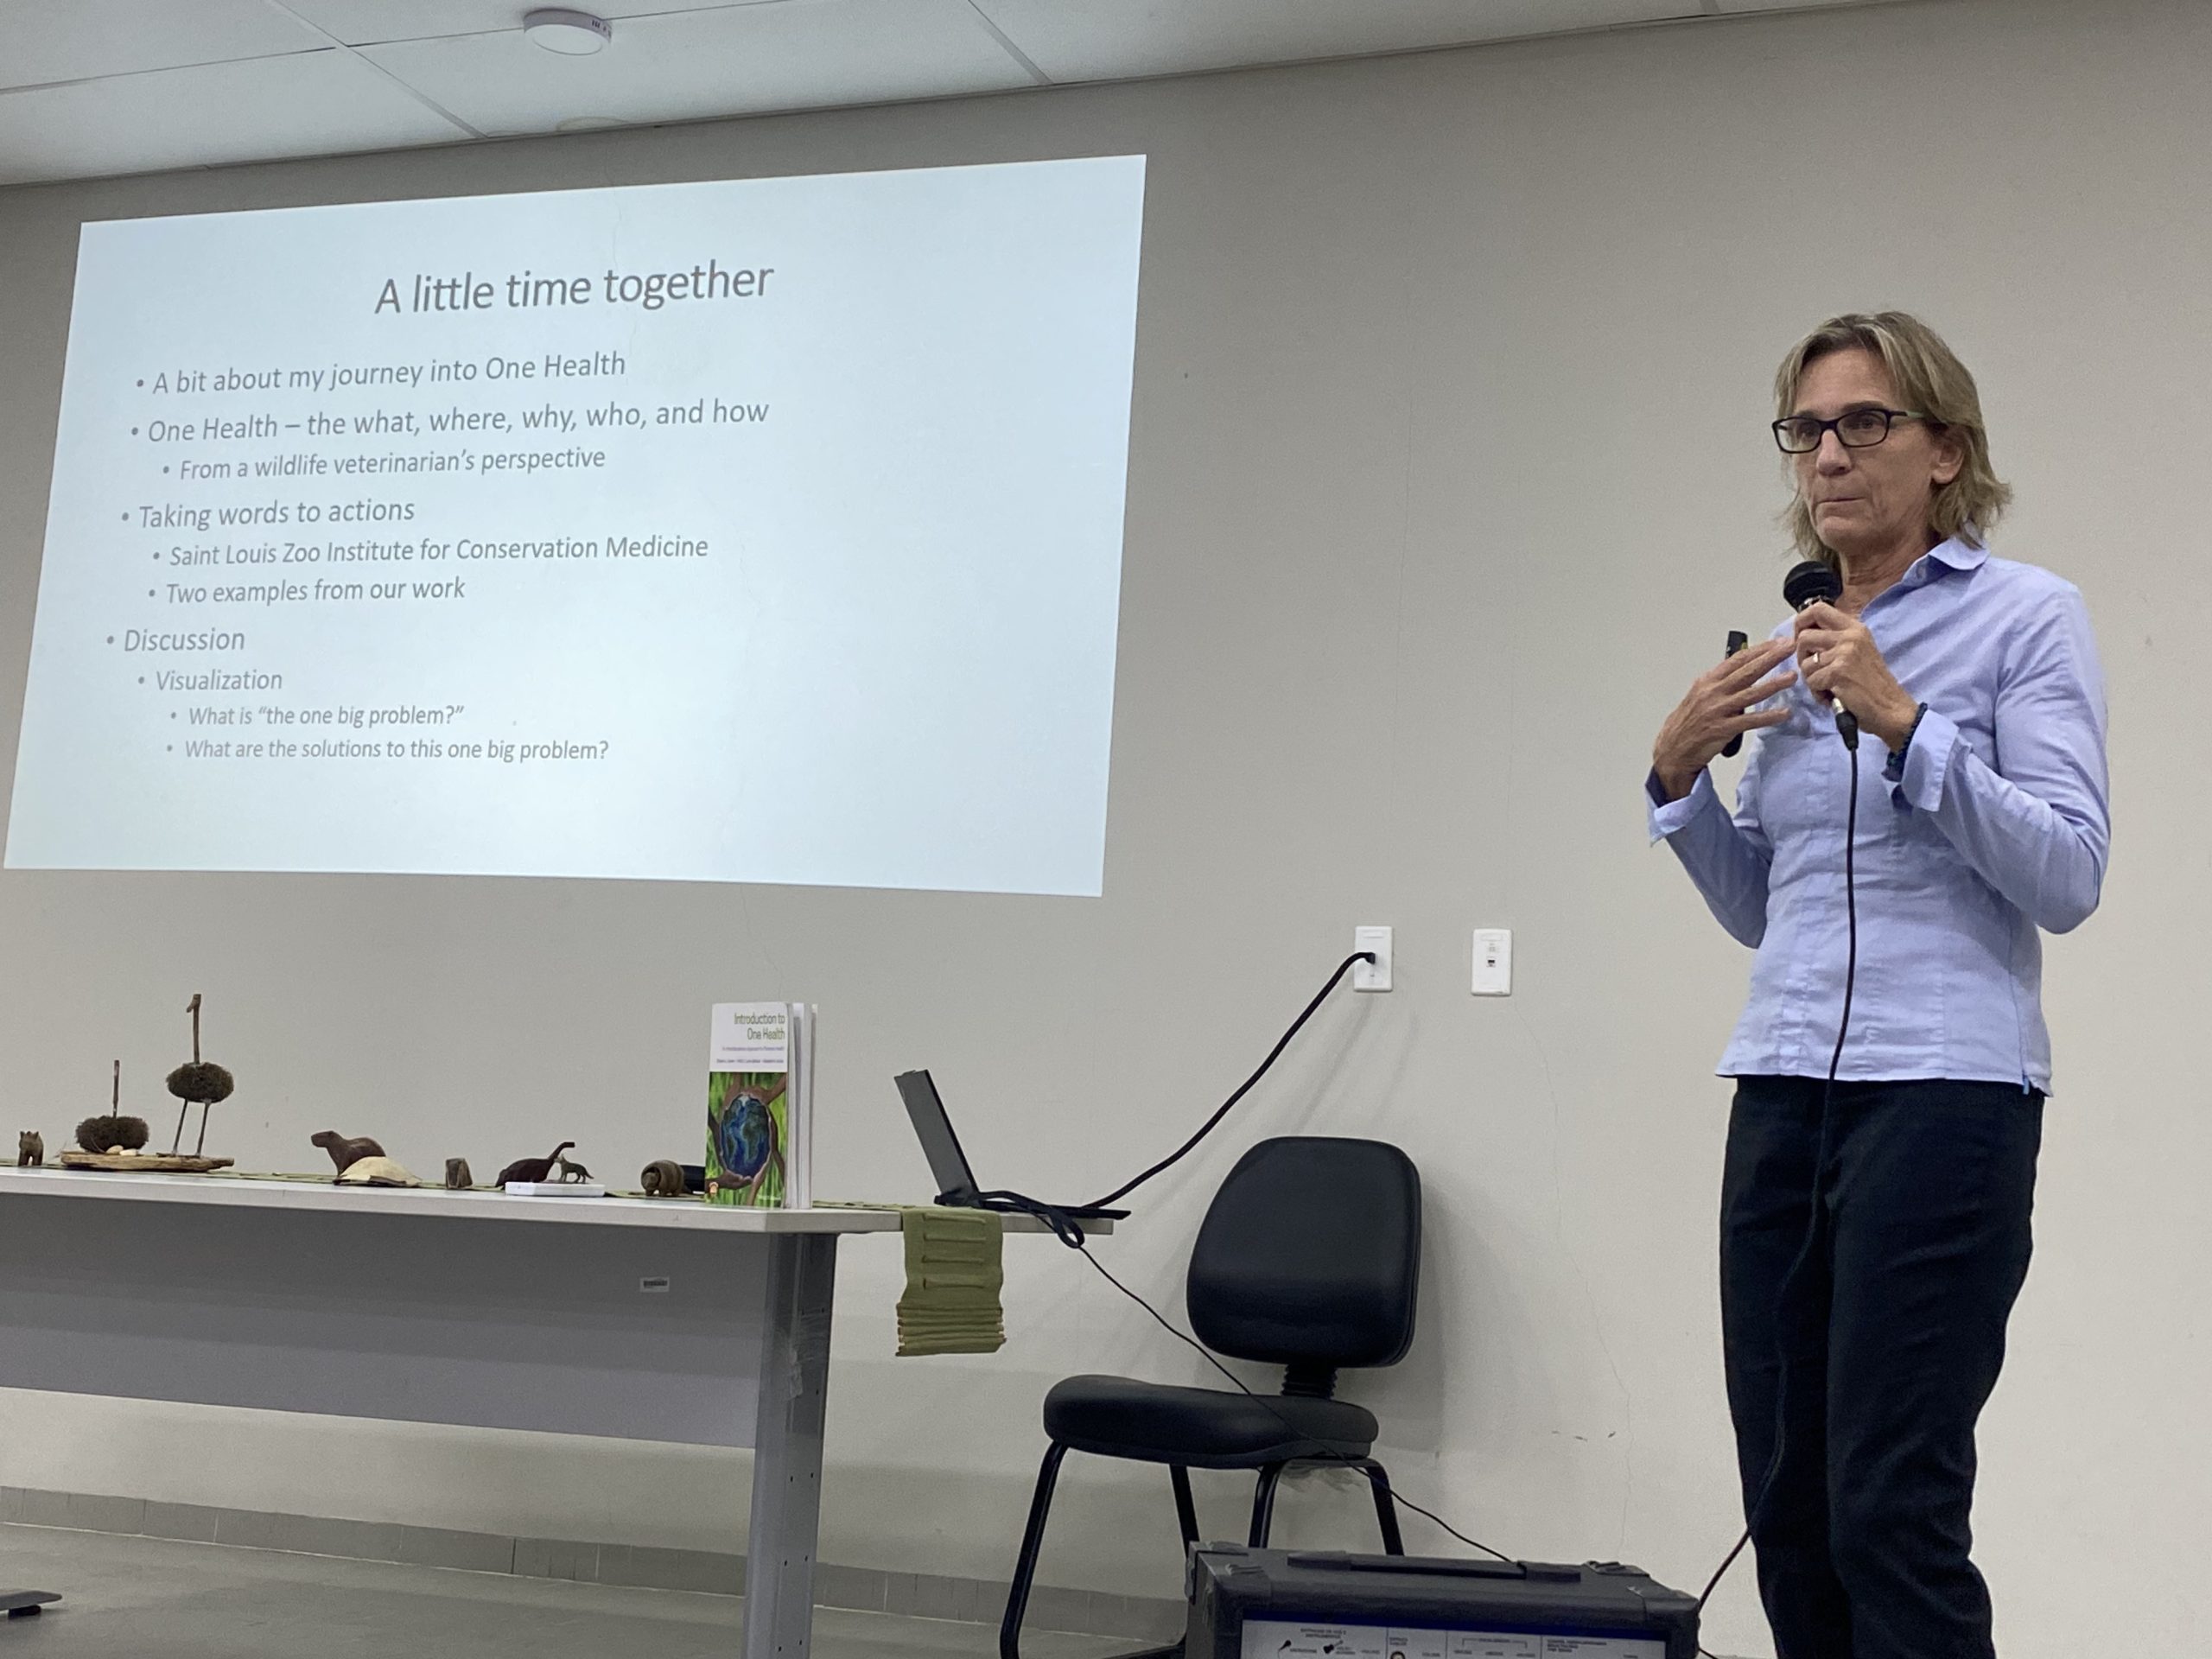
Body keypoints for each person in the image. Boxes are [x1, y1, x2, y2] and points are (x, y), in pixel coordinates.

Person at [1645, 312, 2109, 1658]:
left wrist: (1909, 724)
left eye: (1864, 423)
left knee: (1886, 1509)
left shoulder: (2027, 616)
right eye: (1806, 431)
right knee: (1787, 1505)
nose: (1829, 456)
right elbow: (1766, 910)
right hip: (1783, 1090)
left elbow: (2070, 873)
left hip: (1946, 1096)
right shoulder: (1798, 642)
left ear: (1946, 450)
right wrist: (1677, 781)